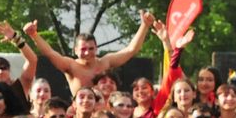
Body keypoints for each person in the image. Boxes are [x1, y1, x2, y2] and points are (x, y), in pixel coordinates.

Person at [24, 13, 156, 95]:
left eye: (91, 48)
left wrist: (144, 25)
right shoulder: (70, 66)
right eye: (83, 49)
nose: (87, 52)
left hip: (105, 116)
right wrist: (34, 35)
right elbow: (50, 53)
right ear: (75, 50)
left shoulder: (106, 62)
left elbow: (130, 50)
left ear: (96, 48)